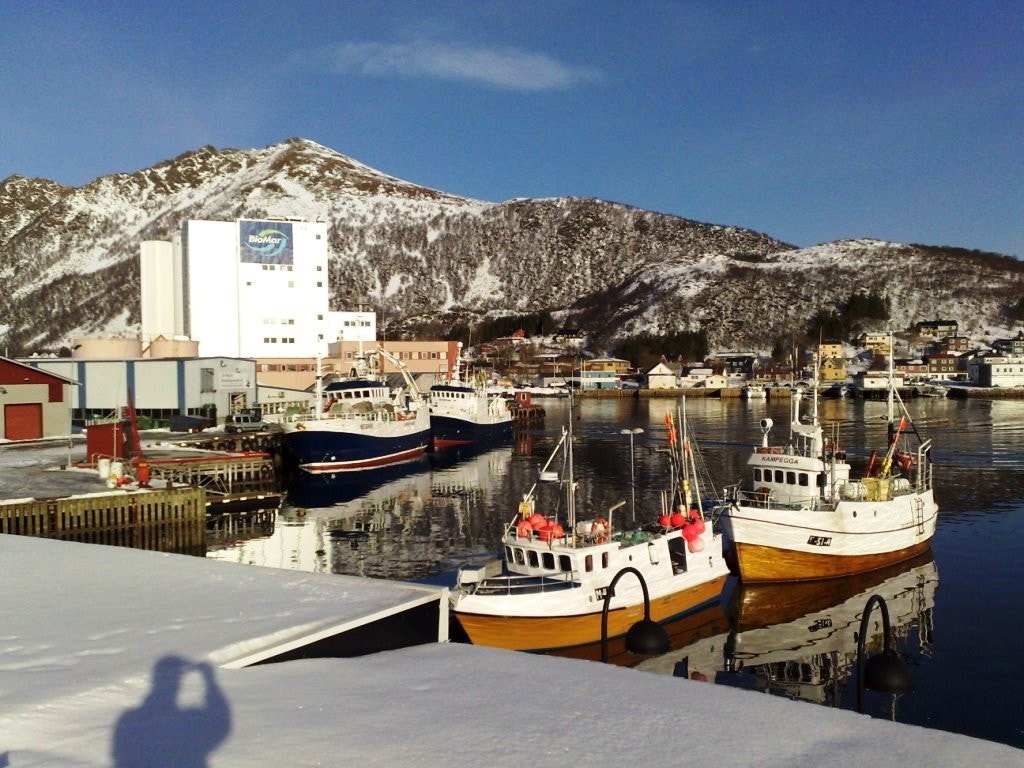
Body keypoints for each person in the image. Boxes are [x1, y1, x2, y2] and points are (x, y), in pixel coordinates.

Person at [112, 655, 231, 767]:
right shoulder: (189, 722)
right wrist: (210, 681)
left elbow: (120, 758)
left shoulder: (131, 721)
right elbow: (220, 725)